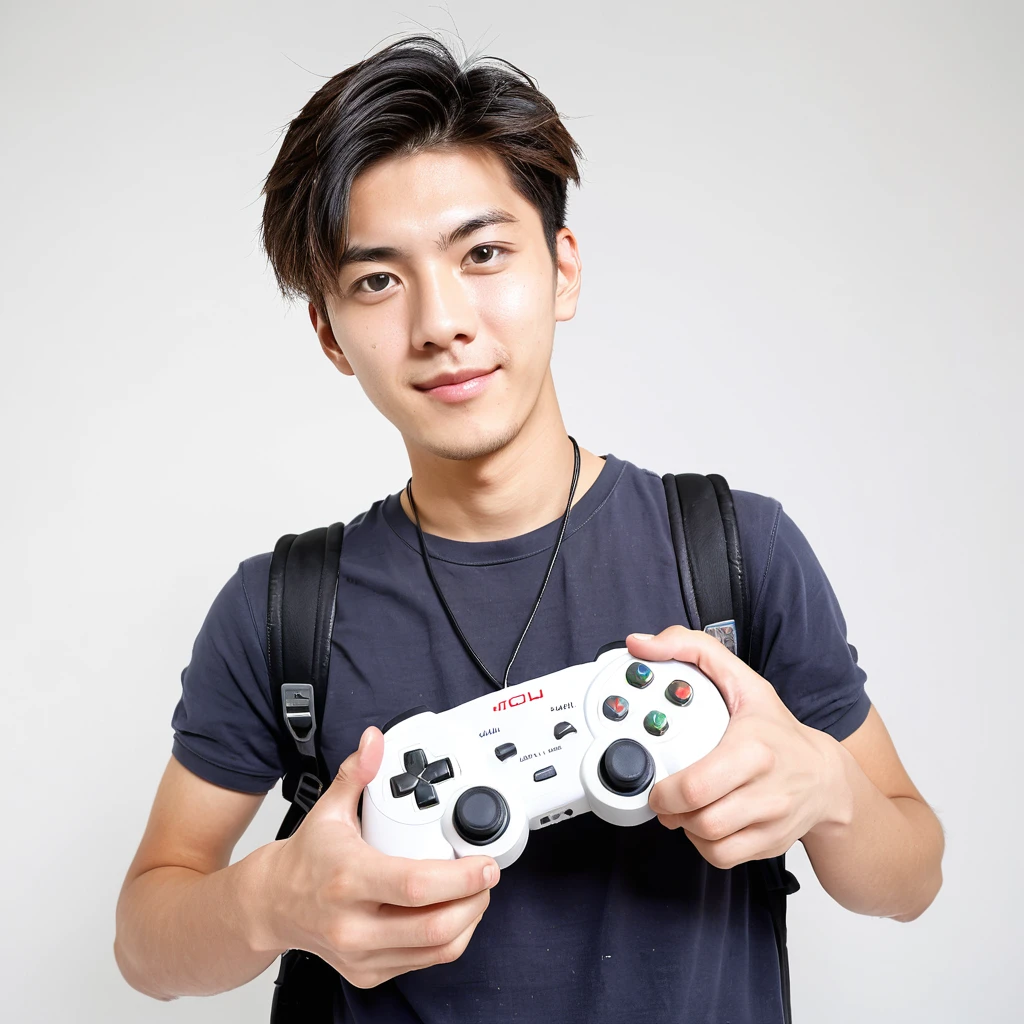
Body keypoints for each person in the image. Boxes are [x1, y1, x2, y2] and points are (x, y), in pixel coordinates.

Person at [113, 33, 945, 1023]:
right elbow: (146, 944)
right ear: (331, 334)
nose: (442, 321)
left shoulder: (734, 552)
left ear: (562, 271)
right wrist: (271, 899)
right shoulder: (281, 611)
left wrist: (830, 792)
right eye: (377, 279)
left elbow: (909, 875)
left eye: (483, 253)